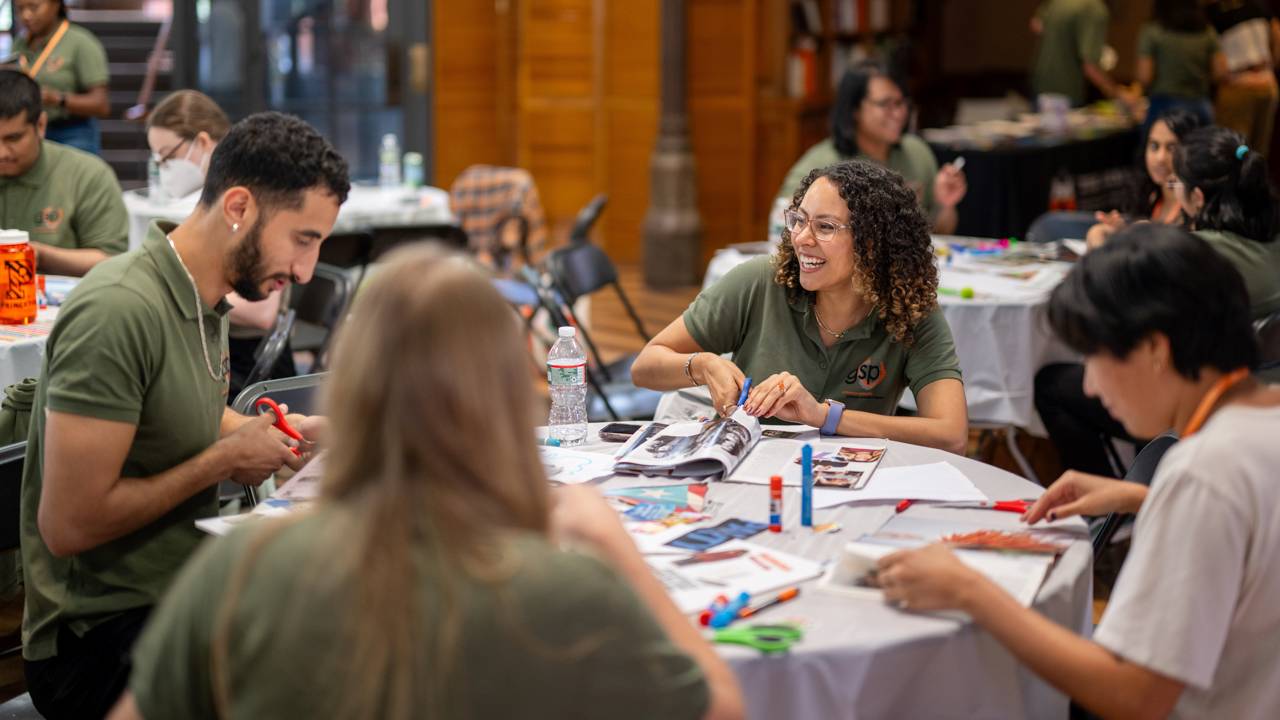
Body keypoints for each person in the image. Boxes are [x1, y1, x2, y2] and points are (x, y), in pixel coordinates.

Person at [106, 245, 745, 720]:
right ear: (503, 397)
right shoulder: (568, 592)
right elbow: (721, 706)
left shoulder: (237, 570)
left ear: (351, 387)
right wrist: (618, 550)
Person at [20, 111, 350, 720]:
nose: (306, 270)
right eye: (304, 238)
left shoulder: (203, 299)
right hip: (96, 640)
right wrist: (221, 461)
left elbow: (176, 415)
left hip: (175, 593)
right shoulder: (119, 309)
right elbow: (67, 524)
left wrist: (268, 435)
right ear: (239, 207)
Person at [876, 224, 1280, 718]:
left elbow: (1135, 696)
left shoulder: (1202, 472)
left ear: (1155, 350)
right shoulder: (1264, 419)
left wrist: (970, 591)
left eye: (1093, 355)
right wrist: (1140, 498)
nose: (1089, 385)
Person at [634, 160, 968, 454]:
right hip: (748, 473)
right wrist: (703, 365)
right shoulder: (761, 281)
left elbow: (951, 435)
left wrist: (824, 415)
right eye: (799, 220)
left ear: (872, 243)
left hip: (849, 486)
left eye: (825, 227)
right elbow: (646, 365)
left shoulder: (909, 309)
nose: (801, 238)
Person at [1036, 123, 1280, 476]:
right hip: (1256, 392)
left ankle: (1111, 505)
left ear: (1196, 198)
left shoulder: (1198, 255)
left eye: (1176, 184)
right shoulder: (1266, 241)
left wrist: (1103, 241)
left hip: (1198, 398)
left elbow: (1118, 294)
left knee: (1054, 384)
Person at [146, 90, 296, 398]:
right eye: (157, 160)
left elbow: (261, 313)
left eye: (167, 157)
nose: (162, 169)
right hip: (214, 348)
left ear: (202, 143)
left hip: (246, 363)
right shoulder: (208, 205)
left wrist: (177, 295)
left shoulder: (254, 201)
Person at [775, 61, 967, 235]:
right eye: (885, 104)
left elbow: (940, 234)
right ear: (855, 110)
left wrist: (946, 205)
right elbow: (782, 225)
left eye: (901, 103)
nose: (899, 113)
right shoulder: (821, 163)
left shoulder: (917, 152)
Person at [0, 69, 125, 276]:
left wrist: (39, 255)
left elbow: (112, 261)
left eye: (13, 138)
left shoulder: (87, 175)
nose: (2, 153)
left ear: (40, 125)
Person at [1084, 108, 1205, 248]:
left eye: (1172, 148)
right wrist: (1121, 229)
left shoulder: (1193, 204)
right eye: (1154, 146)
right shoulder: (1149, 194)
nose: (1160, 158)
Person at [11, 0, 111, 155]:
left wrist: (56, 99)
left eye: (34, 7)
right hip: (30, 131)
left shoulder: (80, 42)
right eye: (20, 9)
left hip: (72, 132)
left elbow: (101, 105)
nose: (26, 15)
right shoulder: (20, 43)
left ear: (56, 5)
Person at [1135, 0, 1228, 134]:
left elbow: (1145, 76)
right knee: (1200, 153)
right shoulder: (1207, 32)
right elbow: (1221, 72)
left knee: (1152, 152)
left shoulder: (1153, 31)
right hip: (1200, 106)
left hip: (1163, 106)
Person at [1206, 0, 1280, 157]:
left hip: (1237, 84)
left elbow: (1216, 65)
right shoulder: (1259, 5)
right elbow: (1276, 32)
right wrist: (1269, 65)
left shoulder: (1214, 12)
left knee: (1234, 150)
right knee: (1258, 151)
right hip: (1267, 82)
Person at [1030, 0, 1132, 107]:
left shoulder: (1056, 2)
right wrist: (1118, 93)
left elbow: (1036, 25)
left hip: (1040, 84)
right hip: (1066, 91)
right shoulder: (1094, 8)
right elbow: (1090, 66)